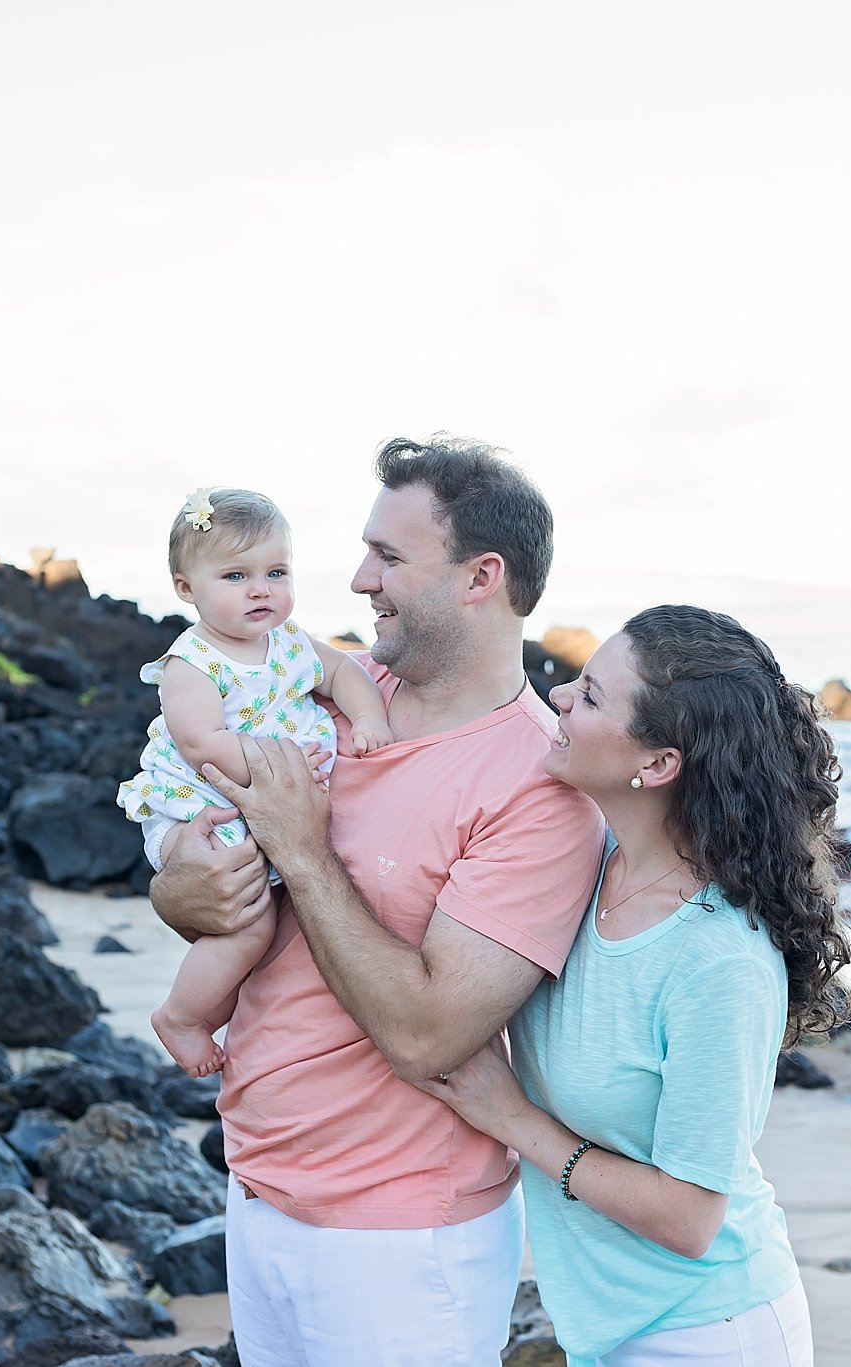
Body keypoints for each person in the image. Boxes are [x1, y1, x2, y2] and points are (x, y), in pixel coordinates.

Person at [150, 437, 605, 1366]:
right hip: (257, 1185)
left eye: (389, 556)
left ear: (482, 577)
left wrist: (301, 848)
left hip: (400, 1240)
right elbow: (205, 861)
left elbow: (430, 1033)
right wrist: (180, 889)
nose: (359, 579)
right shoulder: (319, 689)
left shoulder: (541, 783)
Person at [415, 605, 851, 1366]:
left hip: (709, 1331)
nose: (557, 697)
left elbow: (690, 1216)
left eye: (589, 696)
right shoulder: (578, 864)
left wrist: (510, 1117)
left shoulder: (719, 960)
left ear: (656, 765)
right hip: (606, 1323)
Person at [117, 486, 395, 1076]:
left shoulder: (290, 644)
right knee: (250, 925)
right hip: (194, 809)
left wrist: (368, 715)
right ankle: (182, 1016)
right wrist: (285, 773)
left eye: (276, 571)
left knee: (262, 926)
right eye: (236, 575)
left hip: (254, 812)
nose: (261, 589)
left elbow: (344, 670)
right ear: (186, 589)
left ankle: (213, 1014)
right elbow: (202, 746)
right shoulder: (191, 663)